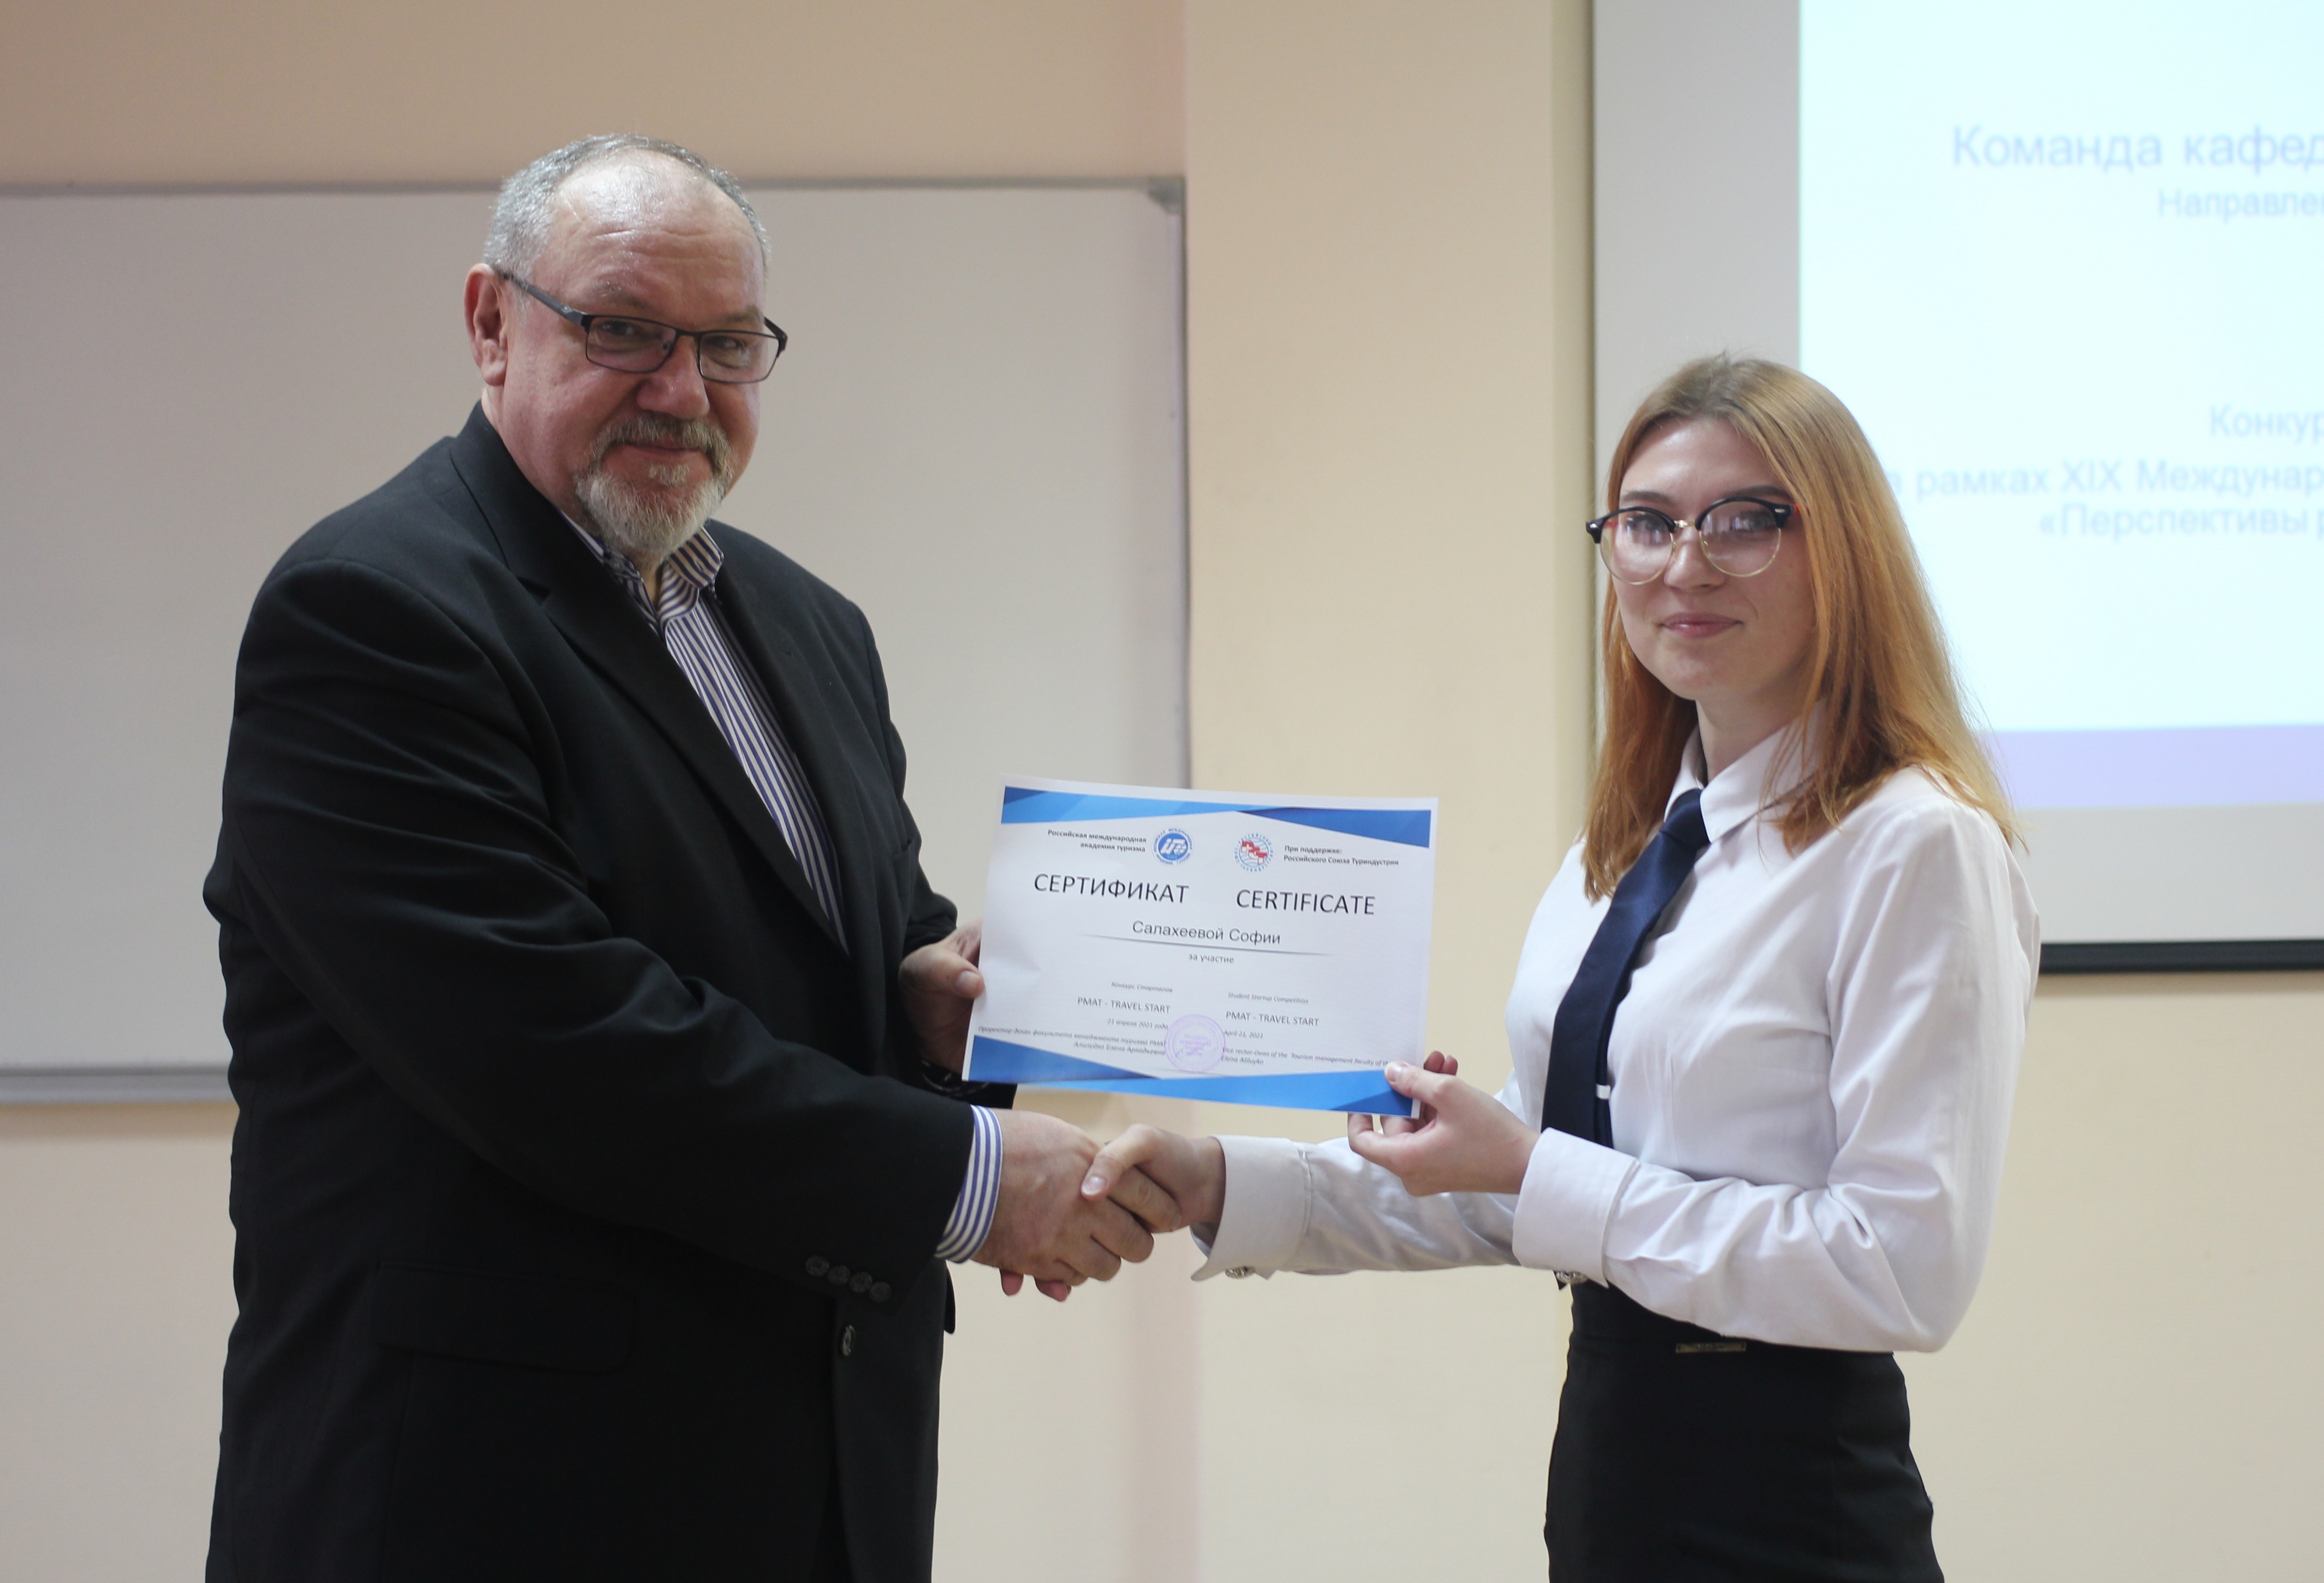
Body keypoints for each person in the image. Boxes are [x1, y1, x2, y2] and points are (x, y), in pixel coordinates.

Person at [203, 134, 1166, 1583]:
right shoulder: (375, 611)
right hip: (496, 1503)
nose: (680, 390)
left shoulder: (807, 624)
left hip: (816, 1479)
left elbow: (859, 947)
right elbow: (551, 1047)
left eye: (727, 345)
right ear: (491, 323)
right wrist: (966, 1178)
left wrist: (930, 1011)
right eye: (622, 329)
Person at [1086, 356, 2040, 1580]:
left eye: (1743, 521)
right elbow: (1522, 1180)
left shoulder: (1913, 843)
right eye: (1645, 522)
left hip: (1790, 1503)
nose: (1683, 565)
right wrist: (1222, 1180)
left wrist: (1530, 1166)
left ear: (1842, 551)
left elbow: (1899, 1271)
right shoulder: (1629, 843)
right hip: (1610, 1473)